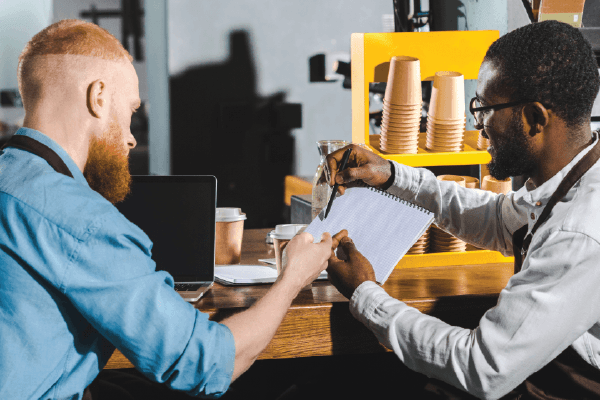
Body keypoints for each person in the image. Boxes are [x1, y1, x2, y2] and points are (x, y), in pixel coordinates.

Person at [0, 19, 338, 400]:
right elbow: (205, 364)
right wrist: (294, 277)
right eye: (130, 111)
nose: (130, 138)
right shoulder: (83, 223)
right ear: (98, 97)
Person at [326, 20, 600, 399]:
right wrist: (390, 175)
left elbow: (481, 368)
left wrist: (365, 293)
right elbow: (500, 220)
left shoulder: (579, 232)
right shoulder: (576, 177)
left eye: (486, 110)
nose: (480, 128)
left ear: (535, 119)